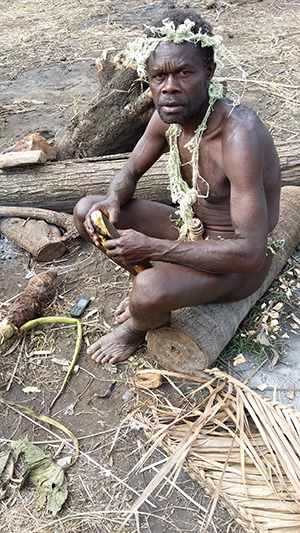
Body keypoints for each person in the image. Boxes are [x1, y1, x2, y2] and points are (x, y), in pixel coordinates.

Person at [73, 8, 281, 365]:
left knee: (149, 289)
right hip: (191, 230)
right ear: (149, 80)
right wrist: (112, 200)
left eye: (184, 73)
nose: (169, 86)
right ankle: (157, 298)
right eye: (159, 76)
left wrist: (152, 247)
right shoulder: (168, 113)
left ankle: (141, 321)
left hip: (234, 264)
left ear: (208, 73)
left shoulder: (237, 135)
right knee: (87, 212)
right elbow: (129, 172)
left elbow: (248, 252)